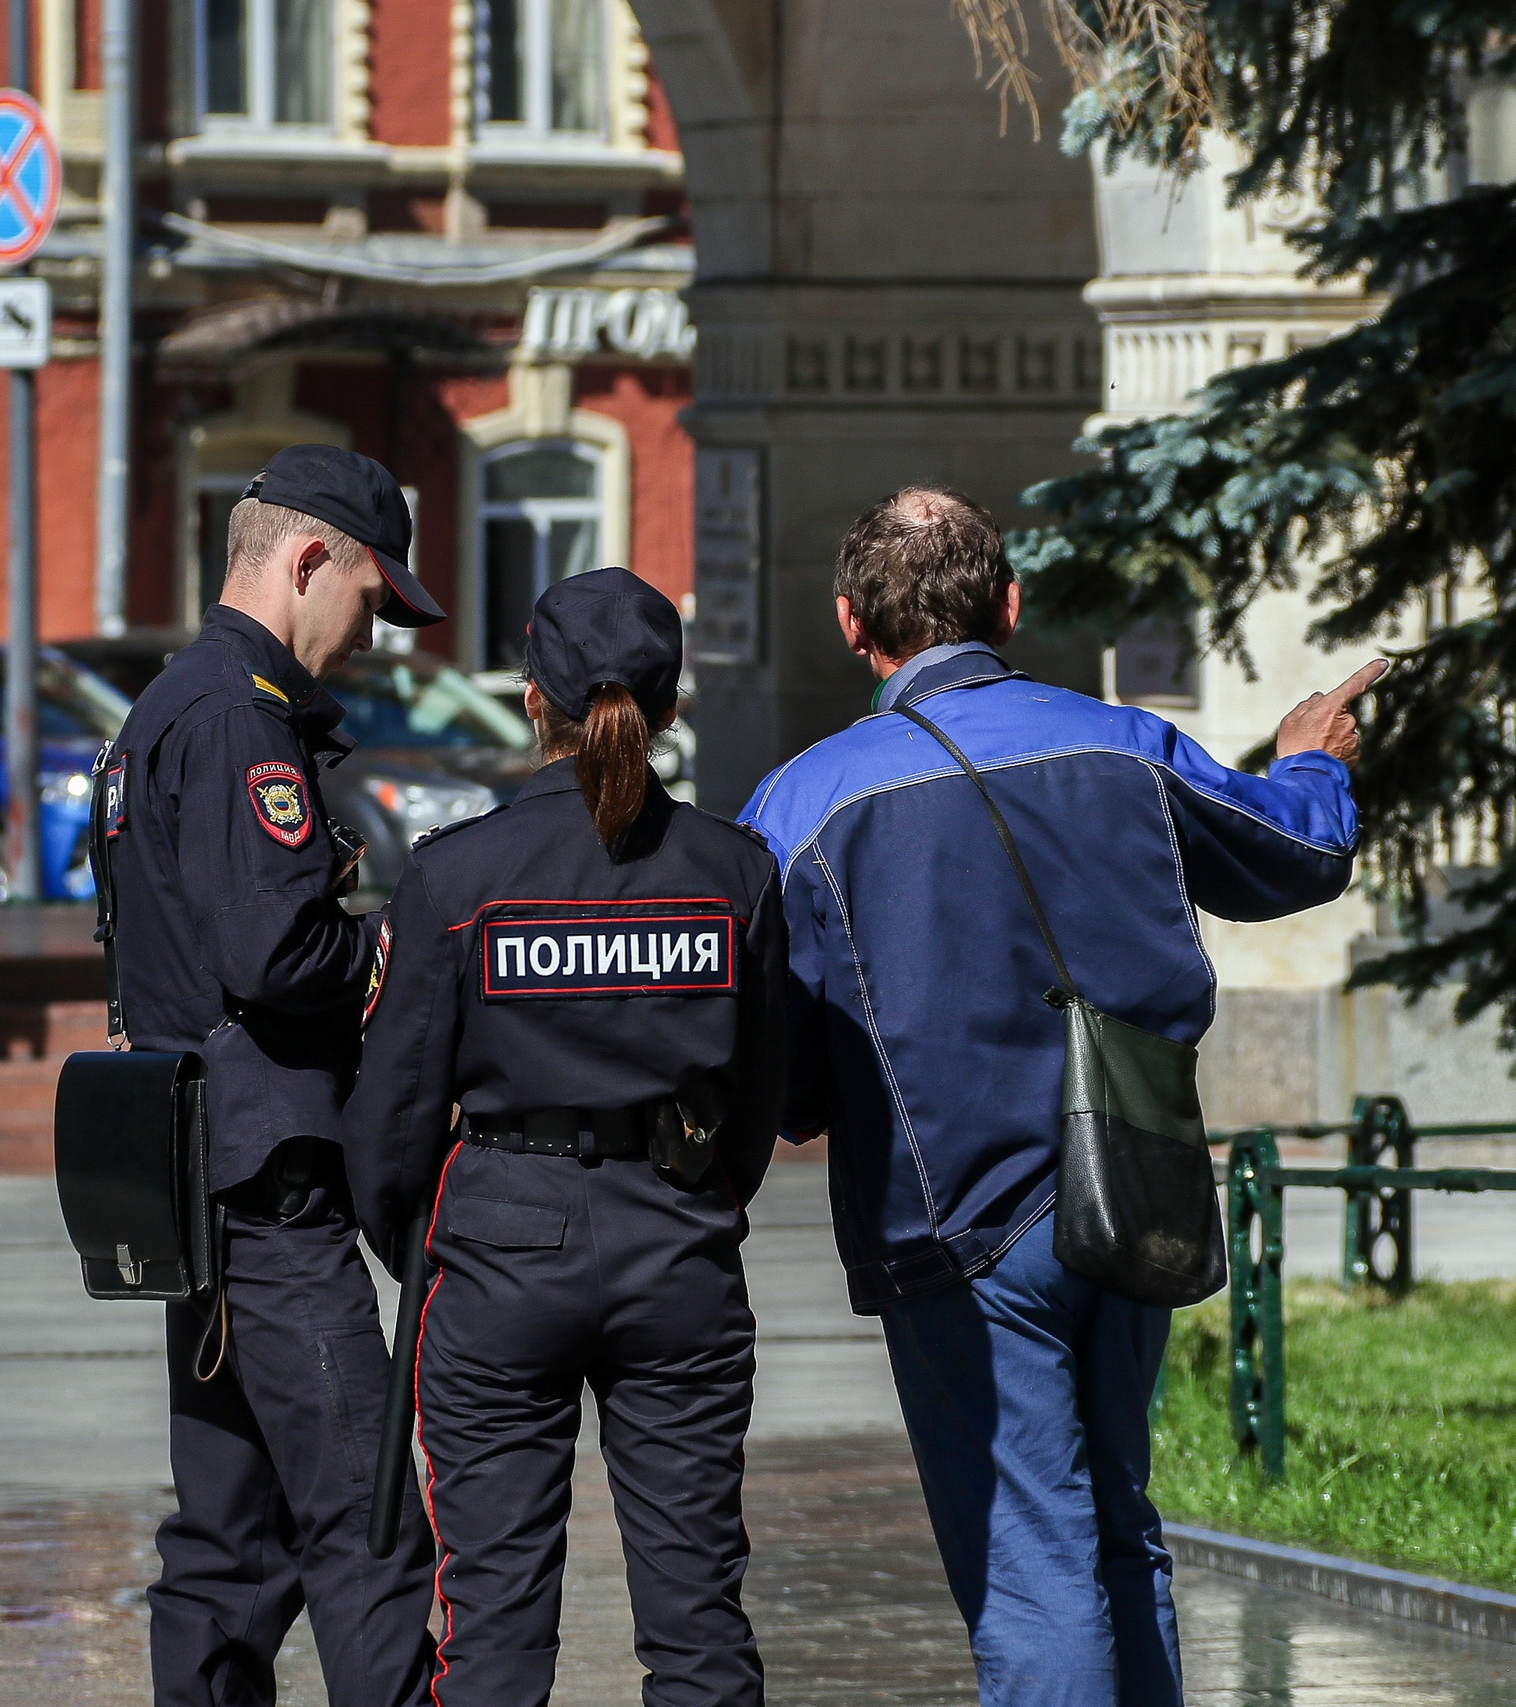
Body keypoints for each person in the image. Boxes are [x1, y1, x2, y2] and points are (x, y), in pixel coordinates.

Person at [738, 488, 1379, 1707]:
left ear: (848, 624)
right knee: (1116, 1519)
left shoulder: (798, 806)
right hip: (1131, 1185)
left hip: (954, 1225)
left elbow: (781, 1068)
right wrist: (1309, 761)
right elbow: (1292, 854)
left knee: (1031, 1553)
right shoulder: (1120, 744)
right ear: (1010, 605)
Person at [343, 567, 787, 1707]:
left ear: (532, 698)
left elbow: (389, 1121)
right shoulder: (735, 874)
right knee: (697, 1623)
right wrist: (696, 1197)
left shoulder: (455, 874)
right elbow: (759, 1092)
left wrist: (429, 1247)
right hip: (676, 1241)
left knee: (490, 1627)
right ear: (670, 705)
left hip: (499, 1245)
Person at [103, 443, 450, 1707]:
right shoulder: (243, 713)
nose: (370, 637)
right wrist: (397, 951)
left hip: (201, 1179)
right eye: (369, 599)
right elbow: (276, 951)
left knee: (228, 1545)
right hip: (268, 1188)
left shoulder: (170, 700)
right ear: (309, 561)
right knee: (366, 1520)